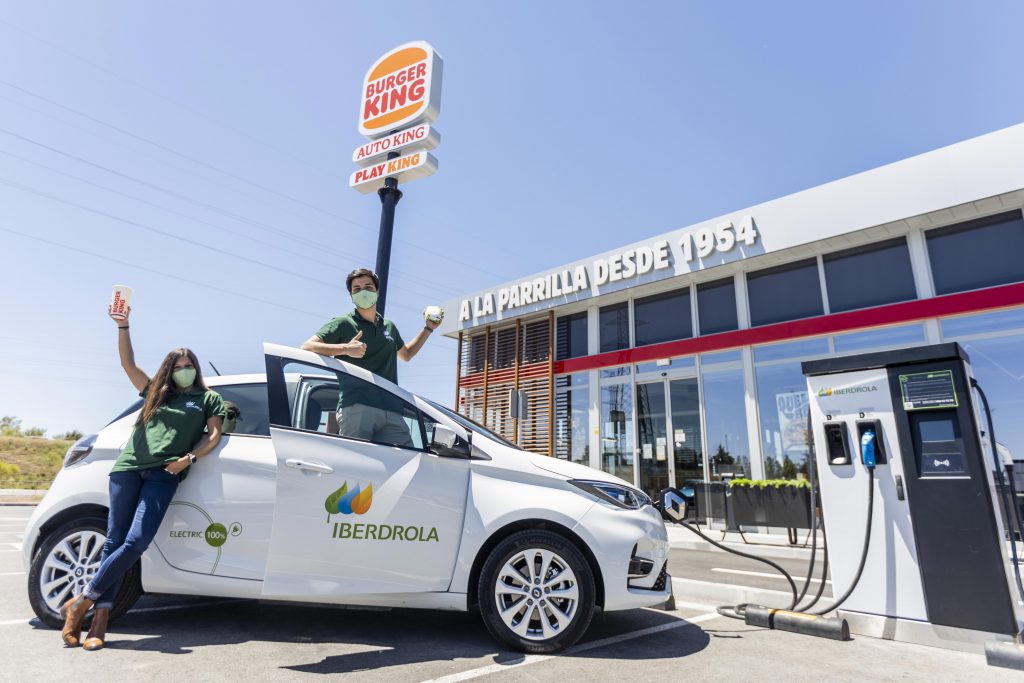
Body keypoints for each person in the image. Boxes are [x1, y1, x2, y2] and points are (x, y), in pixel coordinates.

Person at [60, 304, 226, 650]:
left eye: (188, 366)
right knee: (113, 541)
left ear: (195, 369)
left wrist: (189, 459)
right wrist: (124, 327)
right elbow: (127, 364)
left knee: (135, 542)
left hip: (164, 474)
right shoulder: (156, 393)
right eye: (178, 366)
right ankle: (98, 625)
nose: (184, 371)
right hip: (127, 469)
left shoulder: (208, 398)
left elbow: (214, 436)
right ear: (169, 370)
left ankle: (80, 603)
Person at [301, 268, 442, 445]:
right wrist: (346, 348)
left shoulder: (389, 326)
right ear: (351, 296)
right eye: (357, 289)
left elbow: (406, 354)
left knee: (406, 462)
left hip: (392, 408)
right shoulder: (344, 323)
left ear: (377, 291)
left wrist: (428, 328)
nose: (363, 292)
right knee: (357, 466)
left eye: (368, 287)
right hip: (357, 407)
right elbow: (306, 347)